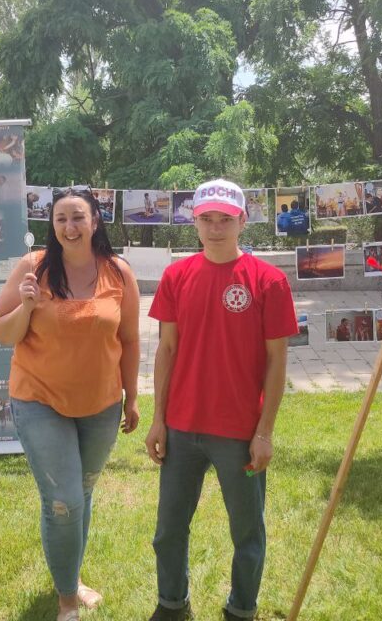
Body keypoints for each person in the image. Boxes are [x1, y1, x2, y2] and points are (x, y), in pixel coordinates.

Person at [145, 178, 297, 621]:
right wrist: (158, 419)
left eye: (225, 220)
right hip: (182, 427)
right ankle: (171, 605)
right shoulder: (176, 277)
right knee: (168, 530)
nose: (215, 228)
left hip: (238, 432)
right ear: (194, 223)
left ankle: (241, 609)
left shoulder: (268, 281)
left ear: (242, 221)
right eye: (206, 219)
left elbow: (277, 361)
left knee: (247, 532)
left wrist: (264, 432)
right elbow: (166, 349)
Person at [0, 185, 141, 621]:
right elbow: (1, 333)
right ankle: (67, 601)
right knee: (64, 501)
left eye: (78, 217)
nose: (70, 227)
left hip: (101, 404)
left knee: (82, 492)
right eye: (61, 219)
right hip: (39, 399)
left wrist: (132, 397)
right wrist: (25, 307)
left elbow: (130, 340)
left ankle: (71, 576)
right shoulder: (34, 267)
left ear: (95, 220)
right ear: (51, 224)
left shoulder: (118, 272)